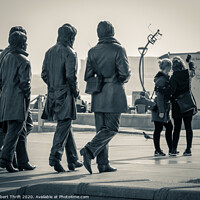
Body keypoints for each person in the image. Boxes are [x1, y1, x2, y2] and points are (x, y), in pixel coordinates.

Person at [80, 21, 131, 174]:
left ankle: (103, 164)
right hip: (114, 94)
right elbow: (125, 74)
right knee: (112, 129)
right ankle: (88, 150)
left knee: (101, 130)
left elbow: (87, 75)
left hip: (98, 95)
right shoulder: (119, 49)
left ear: (98, 33)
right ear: (112, 32)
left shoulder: (92, 51)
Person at [41, 24, 83, 172]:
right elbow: (71, 77)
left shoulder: (49, 52)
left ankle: (73, 160)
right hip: (65, 95)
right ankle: (55, 158)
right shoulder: (70, 53)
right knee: (63, 126)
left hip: (52, 94)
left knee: (66, 126)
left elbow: (44, 75)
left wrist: (53, 84)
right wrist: (76, 92)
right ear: (70, 37)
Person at [0, 26, 35, 171]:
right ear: (22, 43)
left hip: (6, 100)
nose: (27, 44)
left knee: (18, 130)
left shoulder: (6, 57)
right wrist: (27, 100)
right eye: (25, 42)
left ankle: (22, 161)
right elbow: (25, 84)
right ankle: (5, 159)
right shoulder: (24, 60)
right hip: (18, 101)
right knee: (14, 130)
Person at [157, 56, 196, 156]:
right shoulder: (187, 73)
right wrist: (190, 62)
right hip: (188, 103)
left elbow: (171, 91)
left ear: (173, 66)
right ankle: (188, 149)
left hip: (177, 105)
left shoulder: (174, 76)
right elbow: (193, 70)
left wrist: (161, 89)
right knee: (188, 127)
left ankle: (173, 150)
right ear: (182, 64)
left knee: (177, 128)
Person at [152, 59, 173, 156]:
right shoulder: (162, 80)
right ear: (167, 67)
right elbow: (160, 97)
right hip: (160, 108)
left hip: (163, 108)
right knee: (159, 129)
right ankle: (158, 150)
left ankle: (170, 149)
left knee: (166, 128)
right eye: (170, 66)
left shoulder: (164, 78)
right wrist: (161, 111)